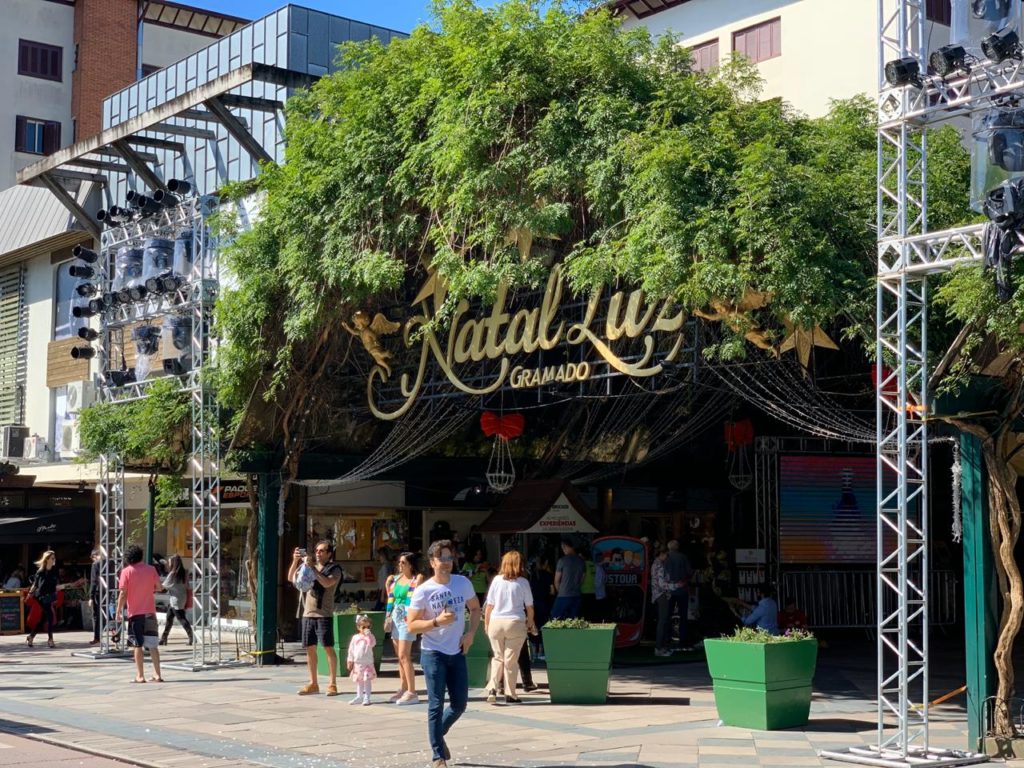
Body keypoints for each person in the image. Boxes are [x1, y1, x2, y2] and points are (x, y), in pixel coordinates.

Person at [406, 539, 481, 768]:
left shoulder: (462, 583)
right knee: (436, 704)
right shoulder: (424, 590)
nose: (447, 563)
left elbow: (475, 608)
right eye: (442, 559)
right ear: (432, 562)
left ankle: (438, 734)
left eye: (450, 558)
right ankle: (438, 756)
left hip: (457, 651)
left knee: (459, 704)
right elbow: (411, 625)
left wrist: (471, 634)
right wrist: (436, 621)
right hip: (433, 653)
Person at [287, 540, 342, 696]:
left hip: (323, 613)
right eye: (317, 550)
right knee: (309, 648)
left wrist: (312, 568)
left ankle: (332, 683)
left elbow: (327, 583)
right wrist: (295, 560)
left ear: (329, 553)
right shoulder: (307, 565)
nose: (318, 553)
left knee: (328, 647)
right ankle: (313, 683)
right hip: (308, 613)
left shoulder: (334, 569)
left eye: (322, 551)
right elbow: (291, 578)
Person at [483, 550, 535, 705]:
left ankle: (493, 687)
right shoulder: (523, 582)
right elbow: (530, 607)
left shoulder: (497, 580)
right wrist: (530, 624)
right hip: (515, 622)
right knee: (510, 660)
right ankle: (510, 694)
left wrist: (486, 625)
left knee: (497, 657)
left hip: (495, 622)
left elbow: (489, 606)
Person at [116, 544, 163, 683]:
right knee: (153, 644)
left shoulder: (126, 571)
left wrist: (118, 610)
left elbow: (123, 593)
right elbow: (159, 587)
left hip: (135, 613)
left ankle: (140, 675)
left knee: (137, 644)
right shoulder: (151, 569)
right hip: (150, 611)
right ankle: (157, 674)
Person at [385, 551, 421, 705]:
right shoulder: (396, 579)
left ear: (411, 565)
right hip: (395, 616)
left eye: (403, 562)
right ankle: (404, 687)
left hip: (407, 617)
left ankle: (412, 691)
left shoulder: (416, 579)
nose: (400, 565)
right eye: (399, 562)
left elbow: (416, 598)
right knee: (399, 657)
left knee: (404, 655)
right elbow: (391, 597)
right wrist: (388, 586)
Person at [26, 551, 59, 648]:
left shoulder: (54, 571)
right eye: (52, 558)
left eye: (54, 558)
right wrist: (29, 594)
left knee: (43, 619)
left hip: (49, 596)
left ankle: (31, 636)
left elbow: (55, 585)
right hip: (41, 597)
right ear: (47, 559)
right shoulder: (40, 572)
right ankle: (50, 640)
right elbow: (35, 585)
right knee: (50, 616)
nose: (54, 560)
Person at [160, 554, 194, 646]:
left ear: (174, 563)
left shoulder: (172, 574)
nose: (169, 564)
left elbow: (163, 588)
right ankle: (164, 638)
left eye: (170, 562)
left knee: (181, 618)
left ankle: (191, 637)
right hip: (182, 598)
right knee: (169, 618)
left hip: (175, 600)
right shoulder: (184, 573)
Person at [651, 545, 678, 657]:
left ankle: (661, 647)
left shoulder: (656, 564)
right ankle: (659, 648)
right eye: (666, 554)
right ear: (661, 554)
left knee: (663, 621)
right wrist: (674, 585)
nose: (667, 556)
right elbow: (662, 584)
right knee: (663, 621)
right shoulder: (659, 566)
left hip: (658, 595)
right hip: (661, 595)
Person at [665, 540, 693, 649]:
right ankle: (683, 639)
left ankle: (667, 638)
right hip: (682, 590)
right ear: (677, 547)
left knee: (667, 615)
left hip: (668, 590)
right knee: (683, 615)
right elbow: (689, 572)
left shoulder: (665, 558)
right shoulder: (683, 557)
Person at [347, 614, 377, 705]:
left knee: (367, 680)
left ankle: (367, 697)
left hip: (367, 663)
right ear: (358, 627)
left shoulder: (370, 637)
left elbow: (373, 644)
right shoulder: (355, 637)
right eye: (364, 627)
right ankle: (359, 696)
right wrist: (350, 660)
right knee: (359, 681)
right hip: (358, 663)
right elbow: (351, 650)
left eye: (368, 626)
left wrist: (370, 635)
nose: (366, 629)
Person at [551, 539, 584, 619]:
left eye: (563, 548)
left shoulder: (562, 561)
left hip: (564, 595)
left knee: (555, 618)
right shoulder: (581, 561)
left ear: (565, 546)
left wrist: (561, 591)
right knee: (573, 621)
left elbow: (556, 581)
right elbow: (582, 579)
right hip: (576, 595)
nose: (563, 550)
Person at [87, 550, 103, 645]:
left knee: (96, 615)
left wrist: (91, 597)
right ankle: (114, 634)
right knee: (108, 614)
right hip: (109, 591)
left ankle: (97, 637)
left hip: (98, 592)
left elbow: (93, 581)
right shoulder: (111, 562)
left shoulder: (95, 564)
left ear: (95, 556)